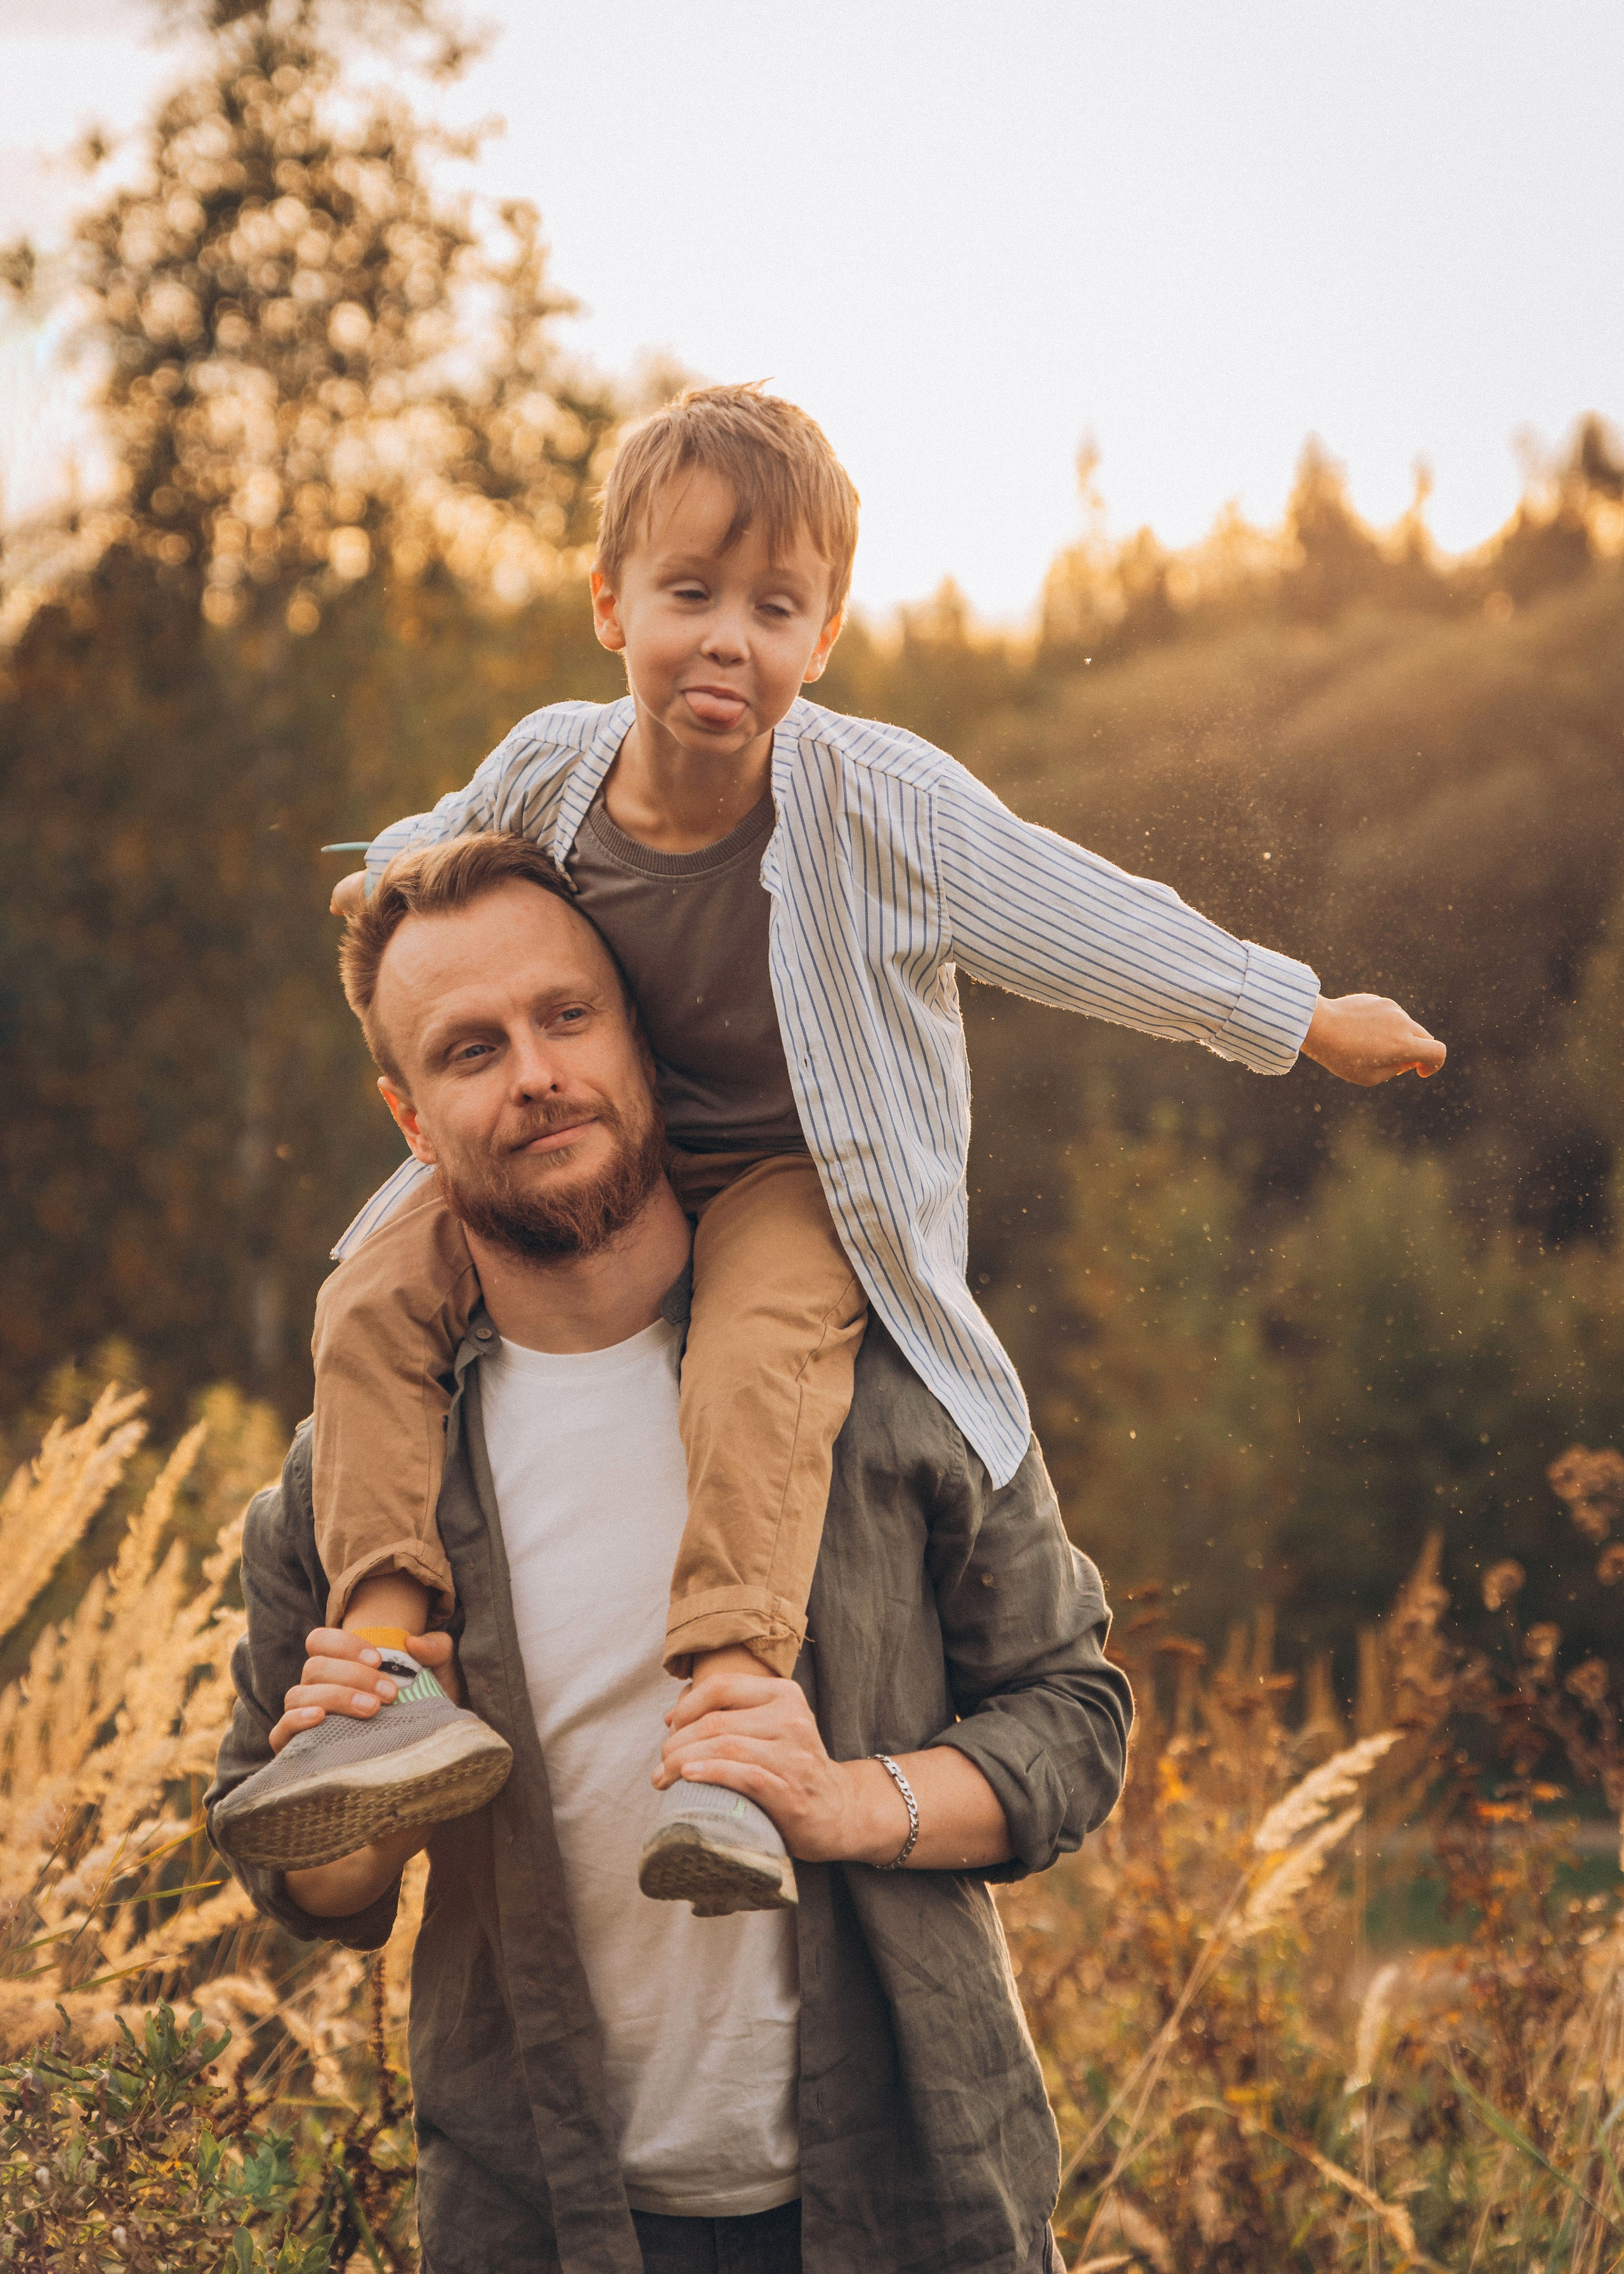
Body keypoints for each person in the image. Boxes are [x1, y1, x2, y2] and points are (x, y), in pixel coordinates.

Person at [214, 383, 1443, 1910]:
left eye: (773, 607)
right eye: (689, 594)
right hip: (607, 1147)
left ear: (825, 635)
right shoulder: (550, 766)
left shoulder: (883, 807)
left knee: (756, 1354)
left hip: (803, 1178)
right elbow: (438, 840)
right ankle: (390, 1671)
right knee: (367, 1297)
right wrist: (377, 882)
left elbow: (1082, 917)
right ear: (609, 606)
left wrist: (1297, 1014)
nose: (726, 639)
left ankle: (728, 1724)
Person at [207, 833, 1133, 2273]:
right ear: (410, 1118)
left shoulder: (889, 1374)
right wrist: (362, 1807)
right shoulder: (347, 1481)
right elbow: (306, 1884)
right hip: (542, 2220)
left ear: (641, 1034)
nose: (535, 1075)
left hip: (913, 2205)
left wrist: (844, 1800)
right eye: (470, 1050)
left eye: (566, 1016)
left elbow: (1071, 1720)